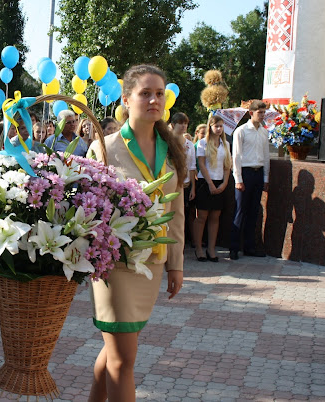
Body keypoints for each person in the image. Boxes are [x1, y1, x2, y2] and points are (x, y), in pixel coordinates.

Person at [86, 64, 184, 402]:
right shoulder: (104, 147)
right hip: (114, 263)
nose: (154, 100)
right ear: (126, 99)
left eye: (160, 93)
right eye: (146, 93)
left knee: (116, 352)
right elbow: (84, 209)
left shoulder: (171, 150)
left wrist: (176, 264)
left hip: (151, 264)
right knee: (124, 358)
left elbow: (177, 213)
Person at [230, 100, 270, 260]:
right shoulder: (241, 131)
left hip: (258, 172)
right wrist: (238, 179)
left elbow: (266, 156)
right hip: (245, 172)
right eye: (259, 113)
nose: (262, 116)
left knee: (254, 211)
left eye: (264, 113)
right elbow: (237, 156)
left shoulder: (264, 132)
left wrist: (266, 177)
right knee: (240, 211)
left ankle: (249, 246)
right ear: (251, 113)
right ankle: (233, 247)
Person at [193, 115, 231, 262]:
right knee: (201, 216)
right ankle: (198, 248)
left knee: (215, 217)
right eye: (216, 126)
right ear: (210, 126)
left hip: (220, 181)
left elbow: (227, 165)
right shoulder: (203, 143)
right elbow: (201, 164)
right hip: (205, 181)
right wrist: (210, 183)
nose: (219, 129)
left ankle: (211, 248)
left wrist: (224, 183)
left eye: (221, 126)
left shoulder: (225, 144)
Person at [170, 113, 196, 248]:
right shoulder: (167, 142)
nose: (184, 126)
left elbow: (192, 166)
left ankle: (179, 244)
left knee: (182, 214)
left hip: (185, 184)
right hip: (171, 183)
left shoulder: (189, 144)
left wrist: (193, 187)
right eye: (181, 123)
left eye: (186, 123)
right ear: (173, 125)